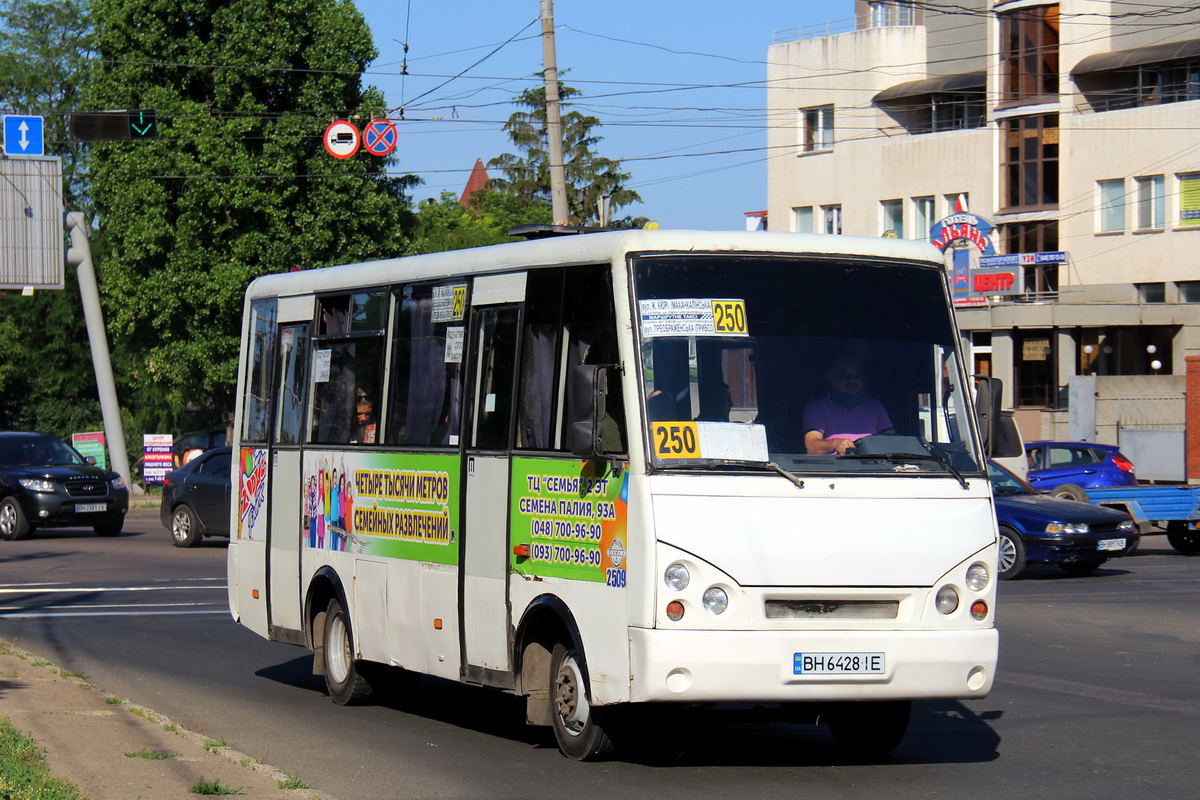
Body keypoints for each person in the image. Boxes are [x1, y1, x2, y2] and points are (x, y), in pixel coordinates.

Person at [803, 355, 893, 454]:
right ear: (831, 379)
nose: (852, 380)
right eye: (846, 375)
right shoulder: (817, 408)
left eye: (857, 375)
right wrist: (836, 444)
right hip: (833, 467)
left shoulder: (875, 406)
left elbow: (892, 440)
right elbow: (812, 446)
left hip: (873, 466)